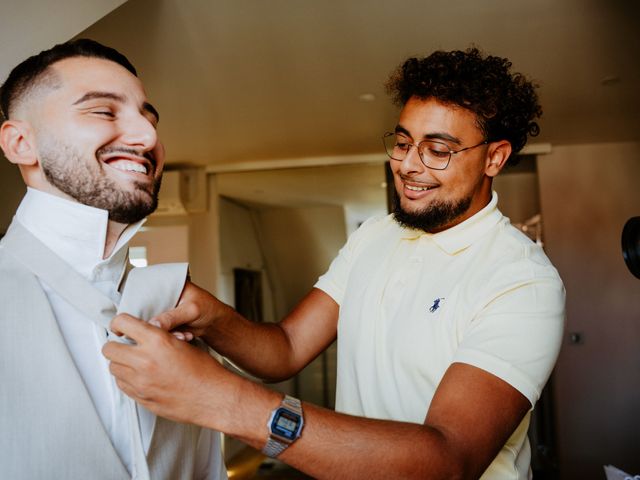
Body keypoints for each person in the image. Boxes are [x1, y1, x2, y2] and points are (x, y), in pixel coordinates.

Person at [104, 47, 565, 479]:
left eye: (438, 150)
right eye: (403, 143)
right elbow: (285, 347)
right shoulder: (376, 235)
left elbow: (448, 459)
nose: (408, 165)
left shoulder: (522, 280)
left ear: (495, 158)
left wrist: (222, 401)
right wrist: (208, 313)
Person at [0, 39, 226, 480]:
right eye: (104, 112)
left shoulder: (173, 310)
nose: (149, 137)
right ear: (21, 143)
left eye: (149, 118)